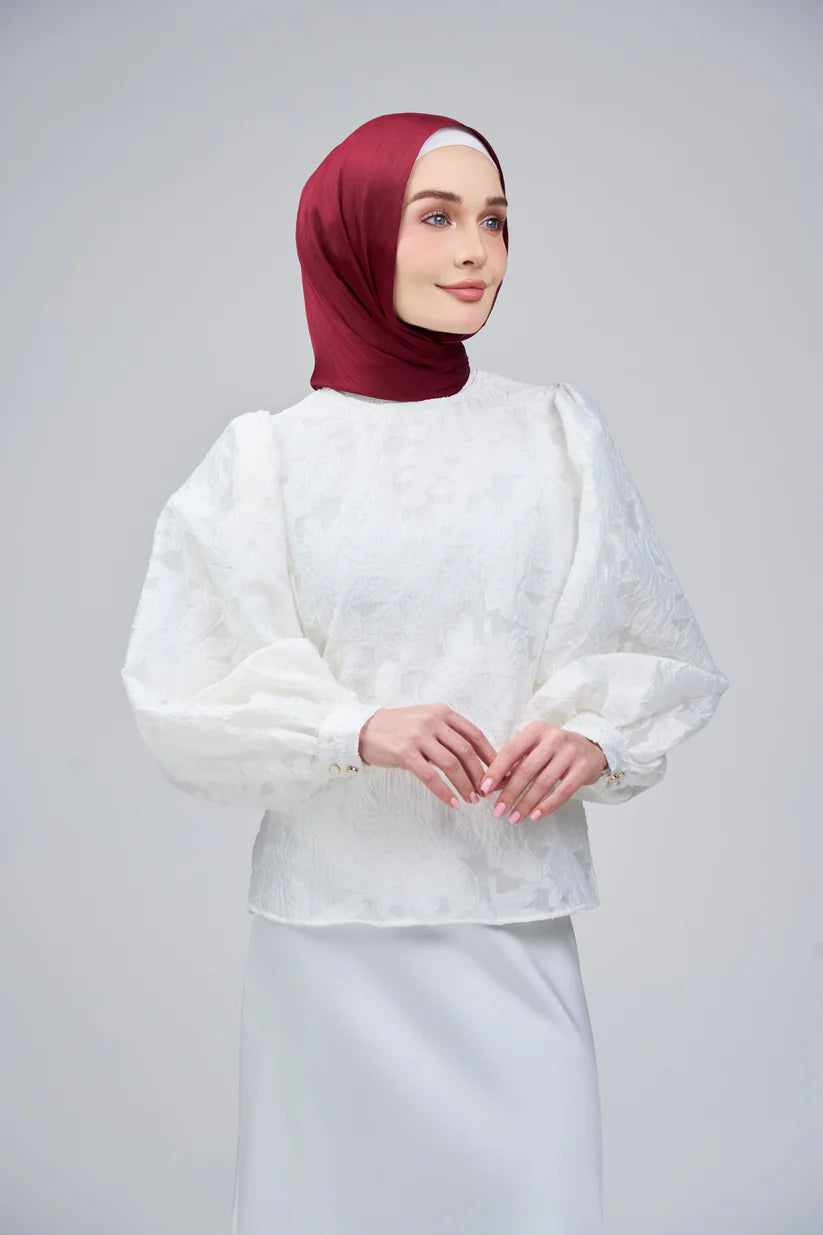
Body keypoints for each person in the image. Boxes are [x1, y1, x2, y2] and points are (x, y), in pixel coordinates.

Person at [120, 112, 730, 1235]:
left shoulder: (554, 434)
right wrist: (355, 727)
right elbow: (181, 691)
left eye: (494, 221)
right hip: (332, 938)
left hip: (508, 914)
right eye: (437, 216)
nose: (475, 251)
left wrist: (597, 731)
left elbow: (649, 643)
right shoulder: (267, 460)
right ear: (353, 234)